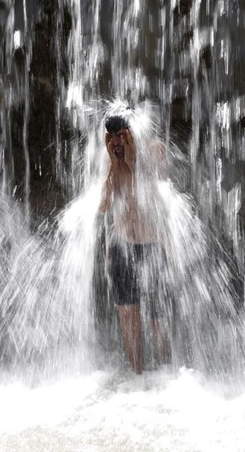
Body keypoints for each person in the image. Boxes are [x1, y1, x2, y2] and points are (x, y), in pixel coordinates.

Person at [99, 113, 171, 373]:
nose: (117, 142)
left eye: (122, 135)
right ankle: (137, 375)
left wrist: (130, 161)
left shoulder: (154, 150)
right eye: (113, 137)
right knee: (128, 316)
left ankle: (165, 373)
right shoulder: (112, 163)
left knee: (157, 317)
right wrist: (113, 166)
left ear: (131, 131)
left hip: (150, 245)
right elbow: (104, 206)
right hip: (121, 247)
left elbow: (155, 185)